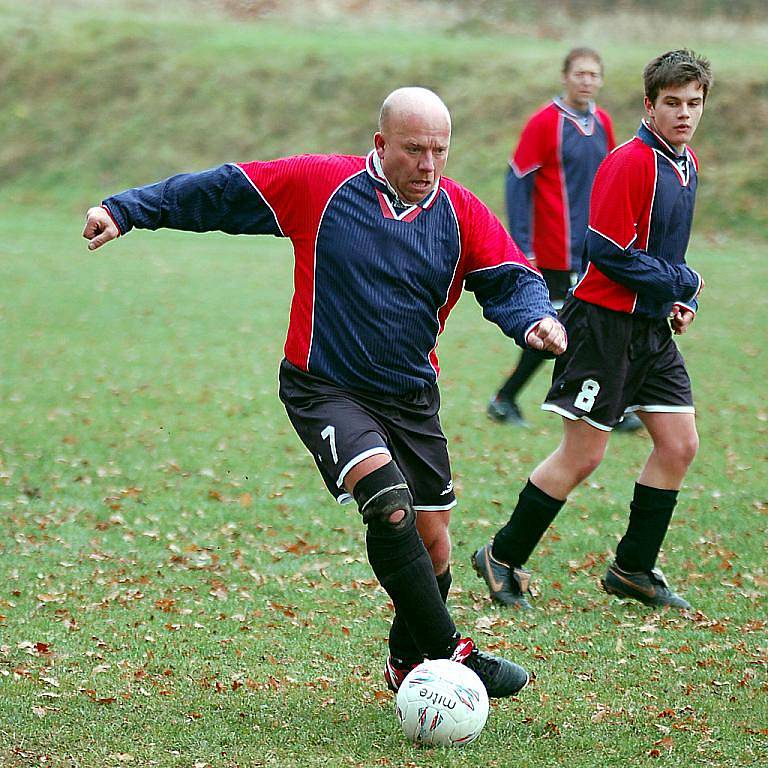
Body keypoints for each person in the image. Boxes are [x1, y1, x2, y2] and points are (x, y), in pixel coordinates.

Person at [83, 87, 567, 697]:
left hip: (411, 395)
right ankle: (453, 654)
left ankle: (406, 663)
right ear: (380, 144)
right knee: (387, 503)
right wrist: (126, 209)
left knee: (433, 540)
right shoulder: (323, 186)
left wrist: (533, 318)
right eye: (415, 149)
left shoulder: (459, 212)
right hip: (324, 387)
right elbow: (224, 189)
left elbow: (509, 276)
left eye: (440, 151)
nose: (428, 165)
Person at [473, 50, 713, 611]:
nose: (683, 114)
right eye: (672, 103)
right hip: (603, 328)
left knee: (679, 445)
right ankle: (502, 557)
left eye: (694, 104)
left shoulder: (686, 163)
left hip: (650, 330)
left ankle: (632, 569)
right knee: (583, 457)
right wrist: (681, 280)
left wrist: (679, 298)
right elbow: (606, 251)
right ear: (648, 105)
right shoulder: (630, 161)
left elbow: (665, 252)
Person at [488, 48, 641, 432]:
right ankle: (508, 398)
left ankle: (605, 407)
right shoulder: (545, 123)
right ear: (565, 77)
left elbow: (612, 182)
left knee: (599, 325)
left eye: (594, 75)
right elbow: (517, 181)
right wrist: (524, 247)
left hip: (595, 249)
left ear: (601, 80)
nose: (587, 81)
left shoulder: (603, 123)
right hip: (553, 251)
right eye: (580, 74)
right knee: (557, 330)